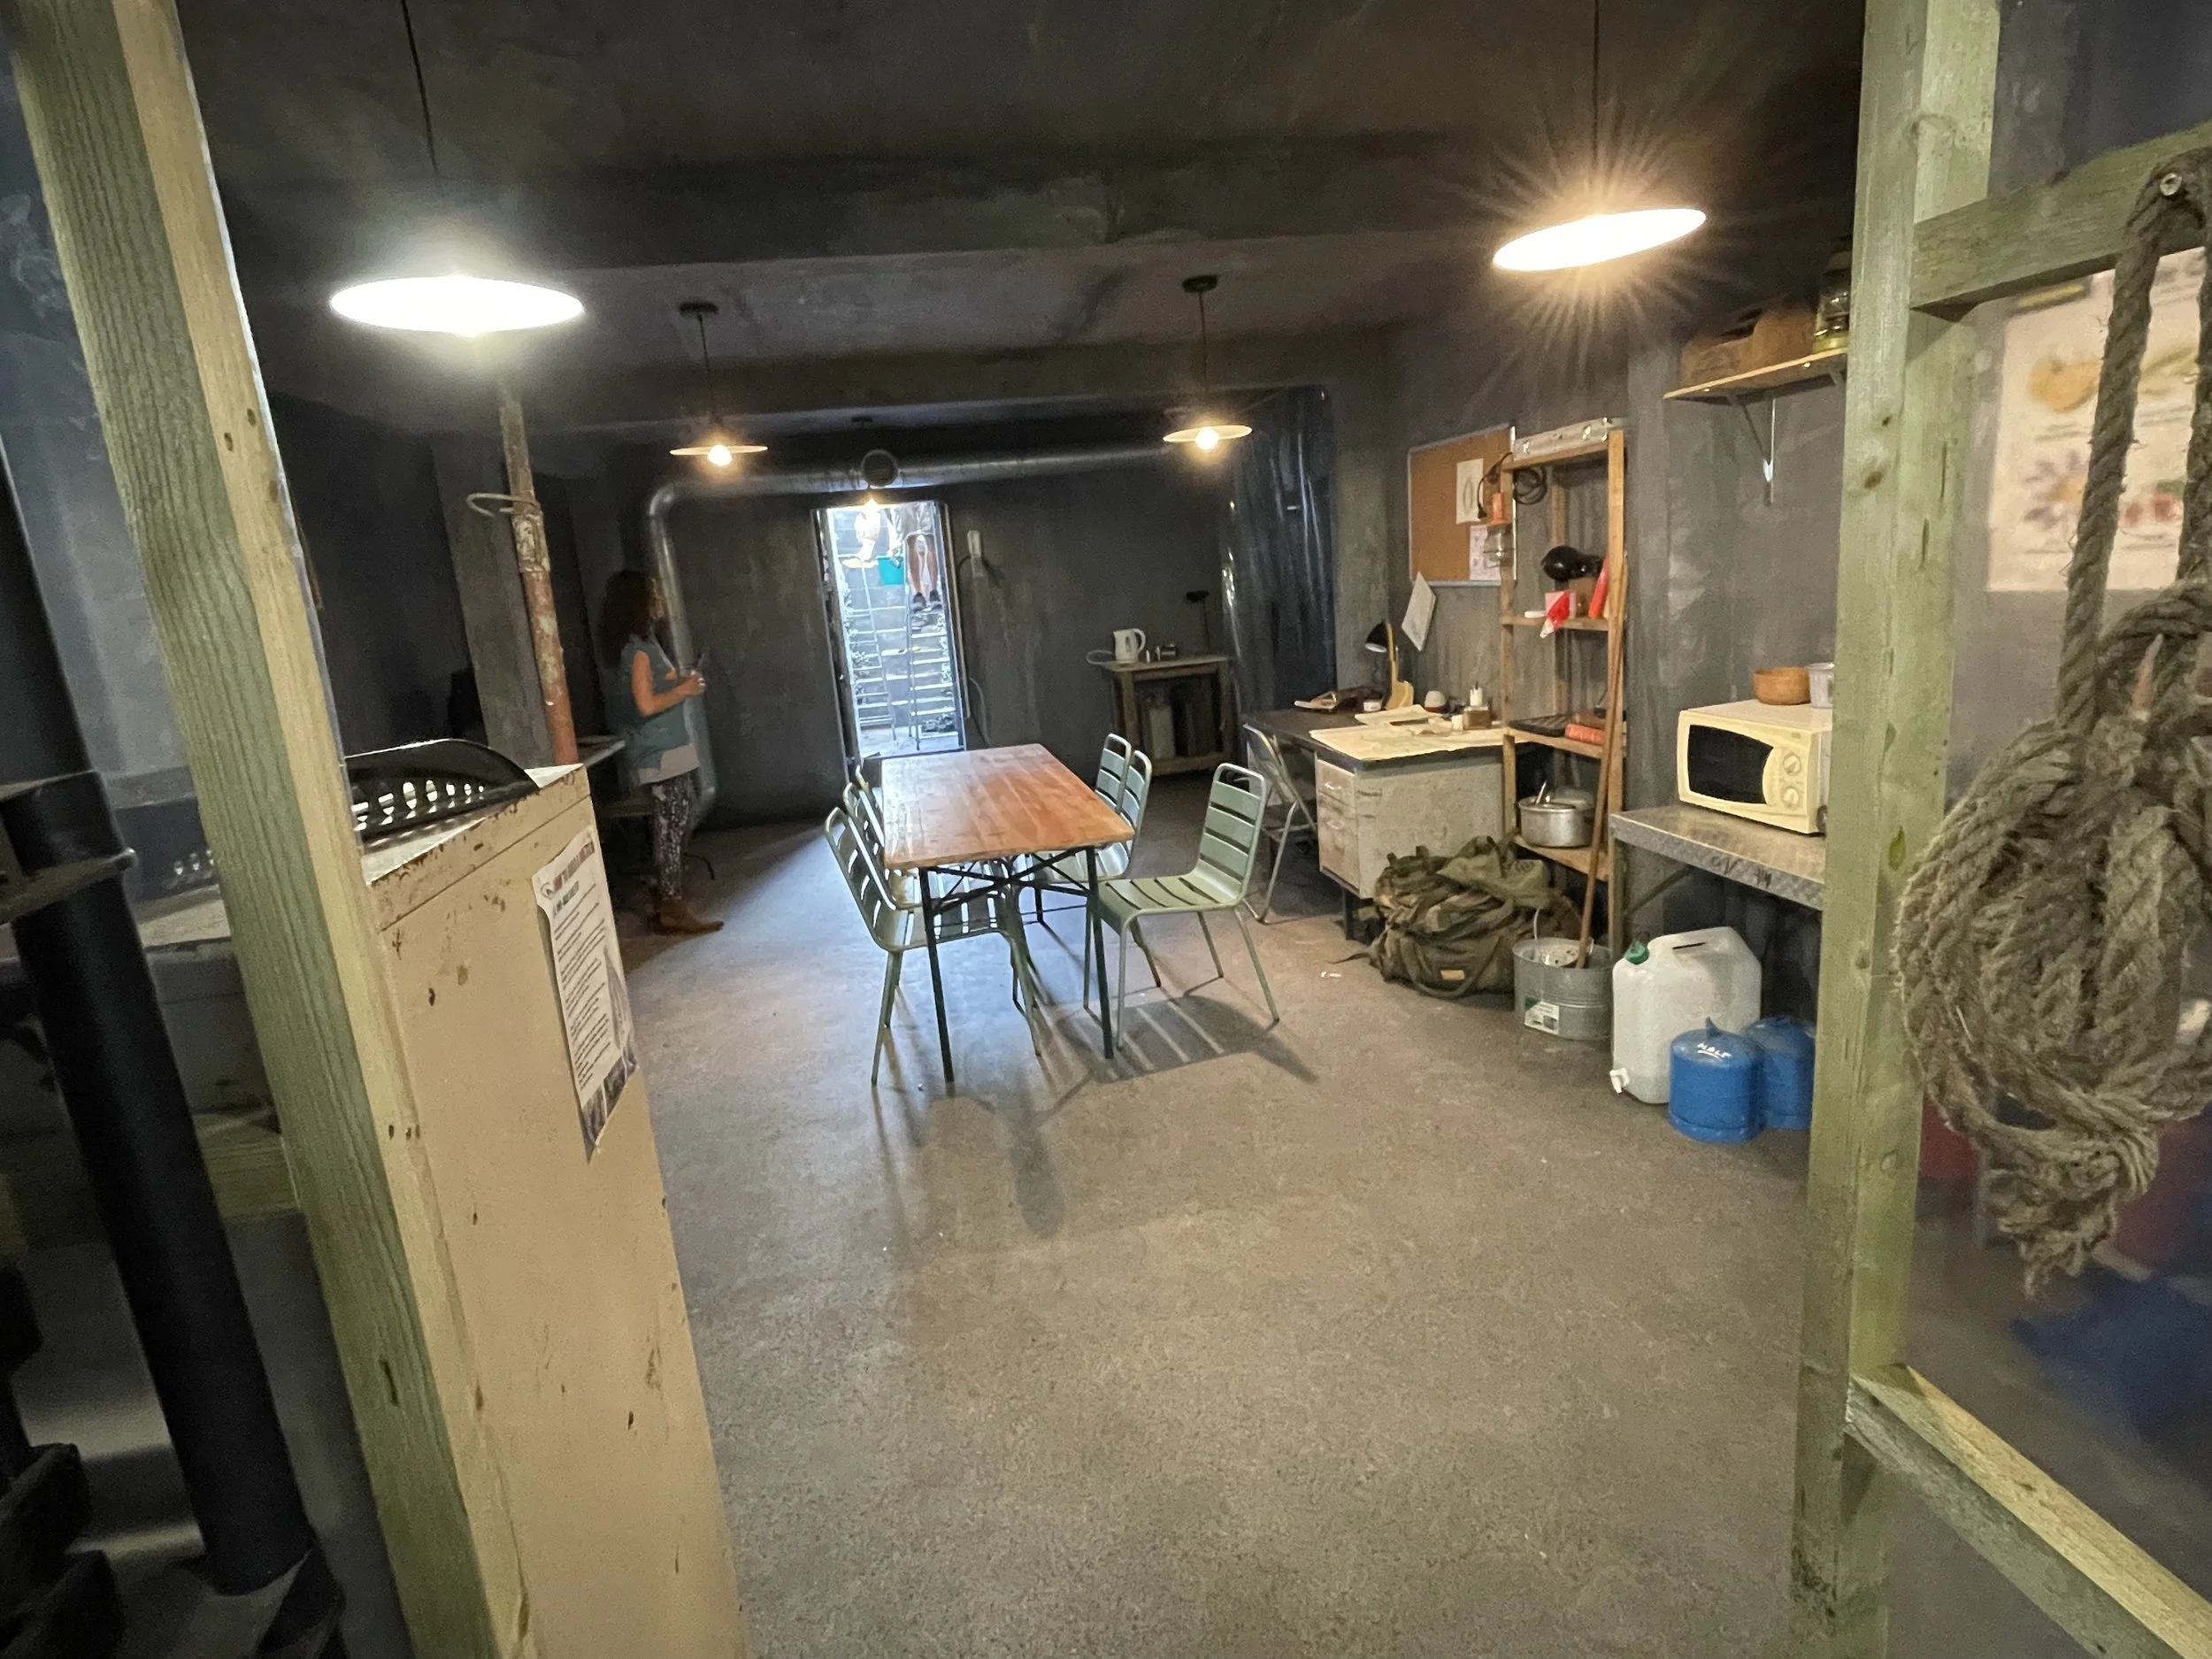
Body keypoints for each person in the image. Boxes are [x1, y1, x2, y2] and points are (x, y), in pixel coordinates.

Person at [598, 570, 722, 935]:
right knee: (671, 827)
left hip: (669, 748)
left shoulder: (646, 644)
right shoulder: (636, 651)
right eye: (653, 594)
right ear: (639, 602)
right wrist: (682, 691)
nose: (660, 600)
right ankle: (670, 904)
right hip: (658, 751)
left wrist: (681, 681)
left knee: (680, 819)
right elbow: (646, 704)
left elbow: (656, 689)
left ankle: (668, 895)